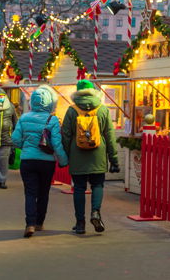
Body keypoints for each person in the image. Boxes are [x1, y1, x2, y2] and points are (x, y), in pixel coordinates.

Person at [62, 79, 119, 234]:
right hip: (98, 155)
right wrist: (113, 159)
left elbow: (66, 135)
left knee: (79, 189)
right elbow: (109, 136)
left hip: (77, 155)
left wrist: (67, 155)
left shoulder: (72, 110)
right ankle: (95, 212)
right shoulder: (103, 110)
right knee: (98, 186)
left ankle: (80, 223)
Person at [12, 85, 68, 238]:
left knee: (30, 192)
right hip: (46, 162)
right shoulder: (52, 119)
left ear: (32, 102)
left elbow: (15, 139)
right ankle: (39, 222)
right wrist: (63, 161)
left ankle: (29, 223)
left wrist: (26, 147)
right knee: (43, 193)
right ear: (50, 103)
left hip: (28, 160)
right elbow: (56, 143)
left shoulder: (23, 118)